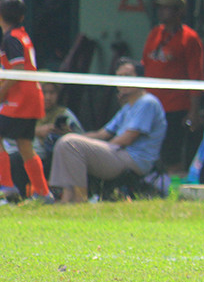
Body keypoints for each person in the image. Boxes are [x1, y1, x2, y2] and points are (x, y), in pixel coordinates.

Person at [49, 58, 166, 204]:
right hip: (118, 153)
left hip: (133, 160)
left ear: (140, 78)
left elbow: (127, 139)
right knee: (65, 141)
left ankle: (80, 199)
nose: (122, 81)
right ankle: (66, 196)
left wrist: (96, 147)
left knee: (71, 144)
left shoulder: (147, 102)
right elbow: (102, 134)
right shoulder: (128, 107)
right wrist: (76, 136)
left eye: (127, 76)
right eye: (119, 77)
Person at [141, 0, 204, 174]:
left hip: (175, 106)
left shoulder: (189, 38)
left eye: (166, 8)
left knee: (172, 153)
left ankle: (175, 192)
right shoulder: (155, 33)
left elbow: (196, 76)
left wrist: (193, 111)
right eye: (160, 8)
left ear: (178, 12)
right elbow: (145, 63)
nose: (161, 12)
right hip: (151, 103)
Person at [0, 0, 53, 202]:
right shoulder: (22, 35)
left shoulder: (11, 37)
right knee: (24, 145)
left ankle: (6, 187)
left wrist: (2, 92)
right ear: (22, 17)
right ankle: (43, 193)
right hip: (31, 98)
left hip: (20, 100)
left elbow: (18, 68)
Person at [4, 81, 85, 193]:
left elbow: (81, 139)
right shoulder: (24, 111)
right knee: (15, 159)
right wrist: (37, 132)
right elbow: (8, 134)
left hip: (51, 158)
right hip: (26, 155)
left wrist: (67, 134)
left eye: (52, 93)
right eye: (44, 92)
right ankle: (20, 194)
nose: (48, 97)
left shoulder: (64, 113)